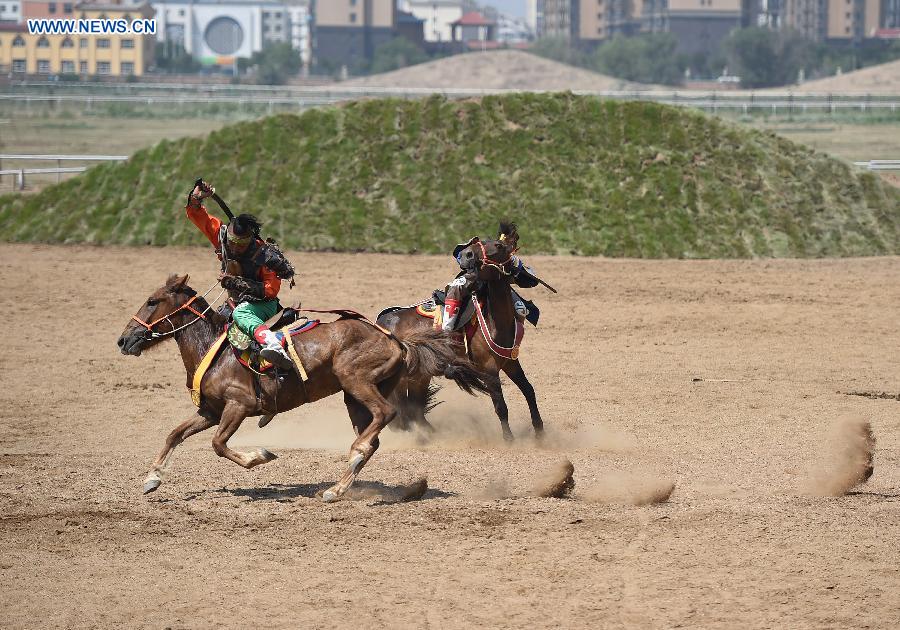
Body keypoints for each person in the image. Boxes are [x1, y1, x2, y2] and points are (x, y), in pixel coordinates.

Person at [185, 180, 295, 368]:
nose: (234, 247)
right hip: (233, 303)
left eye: (241, 244)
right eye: (232, 242)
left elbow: (271, 291)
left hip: (262, 305)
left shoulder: (265, 255)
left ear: (250, 240)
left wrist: (235, 283)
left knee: (242, 314)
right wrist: (196, 197)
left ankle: (273, 344)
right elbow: (197, 215)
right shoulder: (222, 236)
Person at [441, 225, 539, 333]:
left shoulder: (513, 260)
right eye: (508, 240)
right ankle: (447, 330)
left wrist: (516, 268)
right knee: (456, 287)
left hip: (501, 286)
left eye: (512, 242)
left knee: (521, 310)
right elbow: (461, 257)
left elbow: (532, 279)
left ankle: (513, 341)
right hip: (476, 278)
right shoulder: (487, 247)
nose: (510, 244)